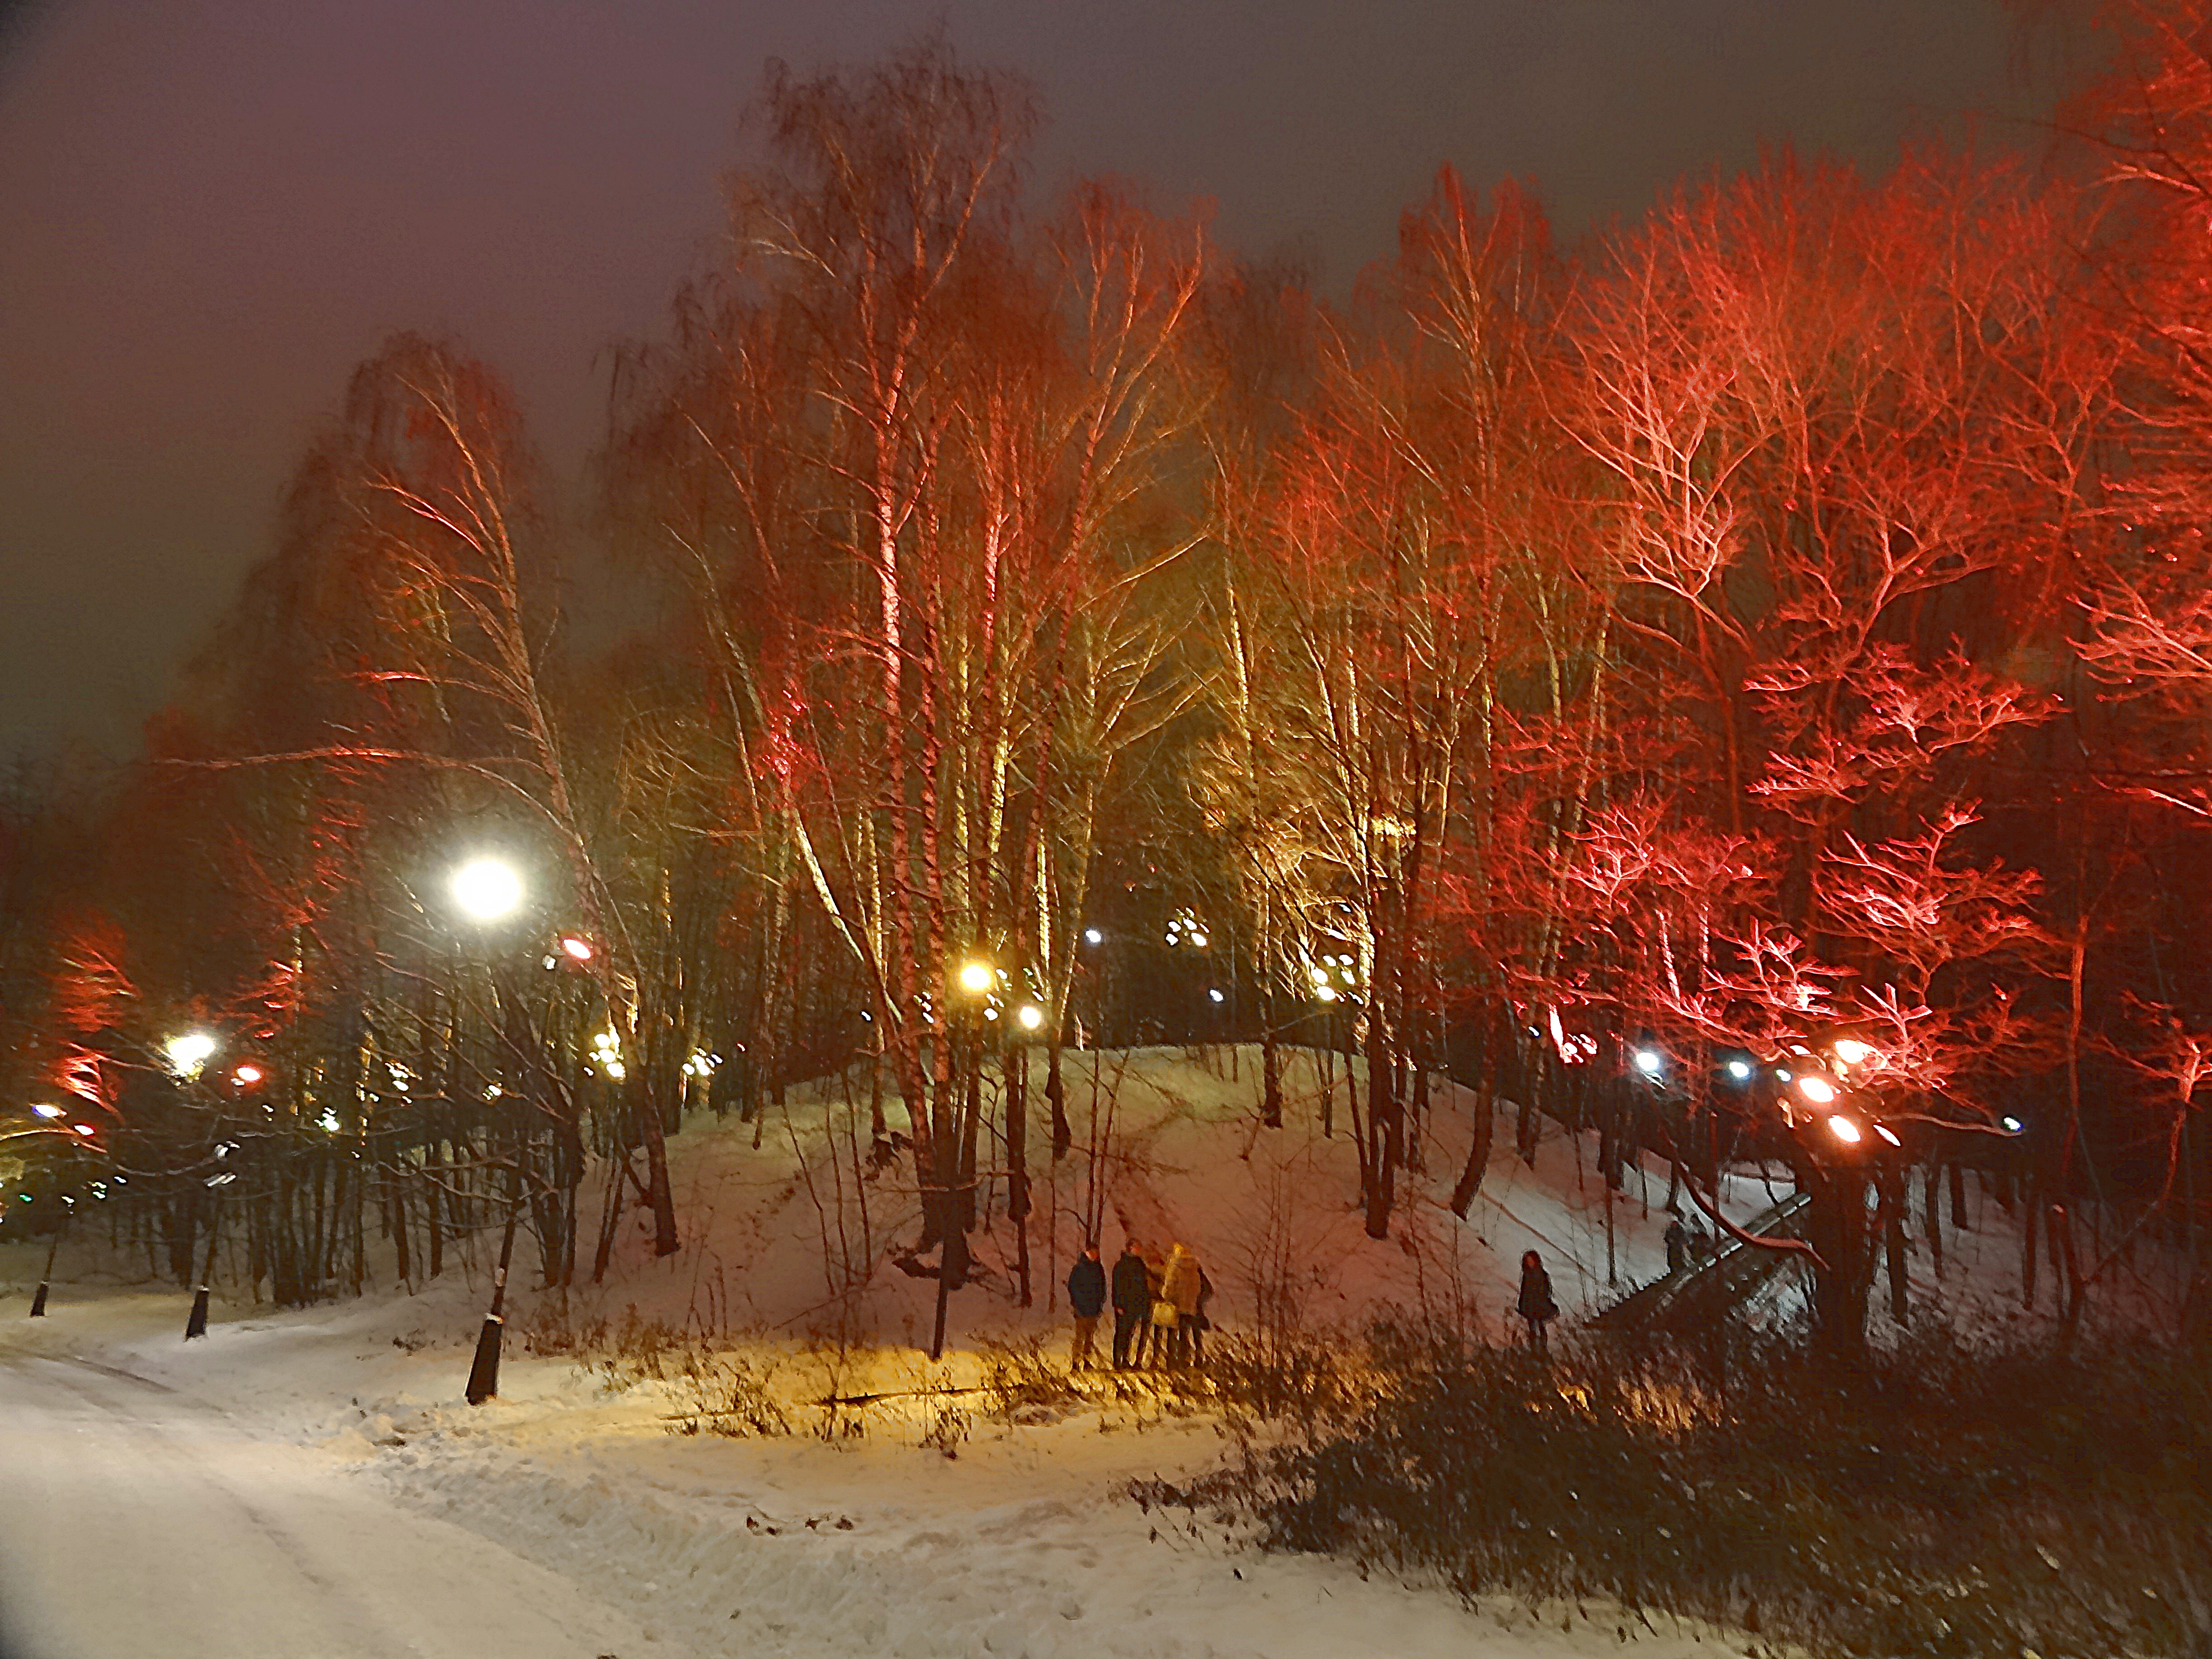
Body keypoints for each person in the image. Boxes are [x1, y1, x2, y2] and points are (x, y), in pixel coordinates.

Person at [1110, 1238, 1151, 1369]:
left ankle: (1125, 1358)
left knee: (1130, 1333)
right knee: (1122, 1332)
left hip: (1136, 1304)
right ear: (1130, 1248)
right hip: (1125, 1305)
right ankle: (1118, 1360)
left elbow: (1144, 1286)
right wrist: (1118, 1304)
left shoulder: (1140, 1264)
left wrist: (1144, 1303)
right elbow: (1117, 1286)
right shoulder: (1122, 1265)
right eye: (1137, 1247)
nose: (1139, 1250)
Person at [1161, 1243, 1203, 1368]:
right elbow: (1198, 1288)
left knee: (1172, 1334)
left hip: (1176, 1306)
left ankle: (1172, 1360)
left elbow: (1170, 1287)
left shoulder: (1175, 1267)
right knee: (1184, 1334)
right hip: (1189, 1307)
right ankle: (1184, 1359)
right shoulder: (1194, 1268)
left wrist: (1166, 1296)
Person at [1066, 1241, 1106, 1370]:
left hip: (1094, 1308)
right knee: (1080, 1337)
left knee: (1090, 1337)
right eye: (1093, 1252)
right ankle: (1076, 1362)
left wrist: (1100, 1303)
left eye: (1097, 1252)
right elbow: (1073, 1287)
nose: (1096, 1255)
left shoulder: (1098, 1268)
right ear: (1087, 1252)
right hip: (1081, 1308)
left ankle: (1087, 1361)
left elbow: (1102, 1287)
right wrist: (1077, 1303)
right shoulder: (1079, 1268)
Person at [1517, 1249, 1557, 1352]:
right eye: (1527, 1261)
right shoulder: (1527, 1275)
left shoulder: (1541, 1274)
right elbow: (1524, 1291)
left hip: (1540, 1305)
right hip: (1529, 1305)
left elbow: (1546, 1291)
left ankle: (1543, 1348)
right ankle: (1534, 1348)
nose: (1529, 1263)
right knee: (1532, 1328)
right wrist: (1522, 1303)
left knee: (1541, 1326)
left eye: (1531, 1260)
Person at [1663, 1209, 1688, 1275]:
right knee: (1671, 1259)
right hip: (1671, 1247)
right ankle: (1673, 1271)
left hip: (1677, 1247)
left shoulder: (1680, 1230)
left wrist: (1680, 1242)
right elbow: (1666, 1238)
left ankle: (1681, 1270)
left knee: (1678, 1258)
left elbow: (1683, 1237)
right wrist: (1670, 1240)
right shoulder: (1669, 1230)